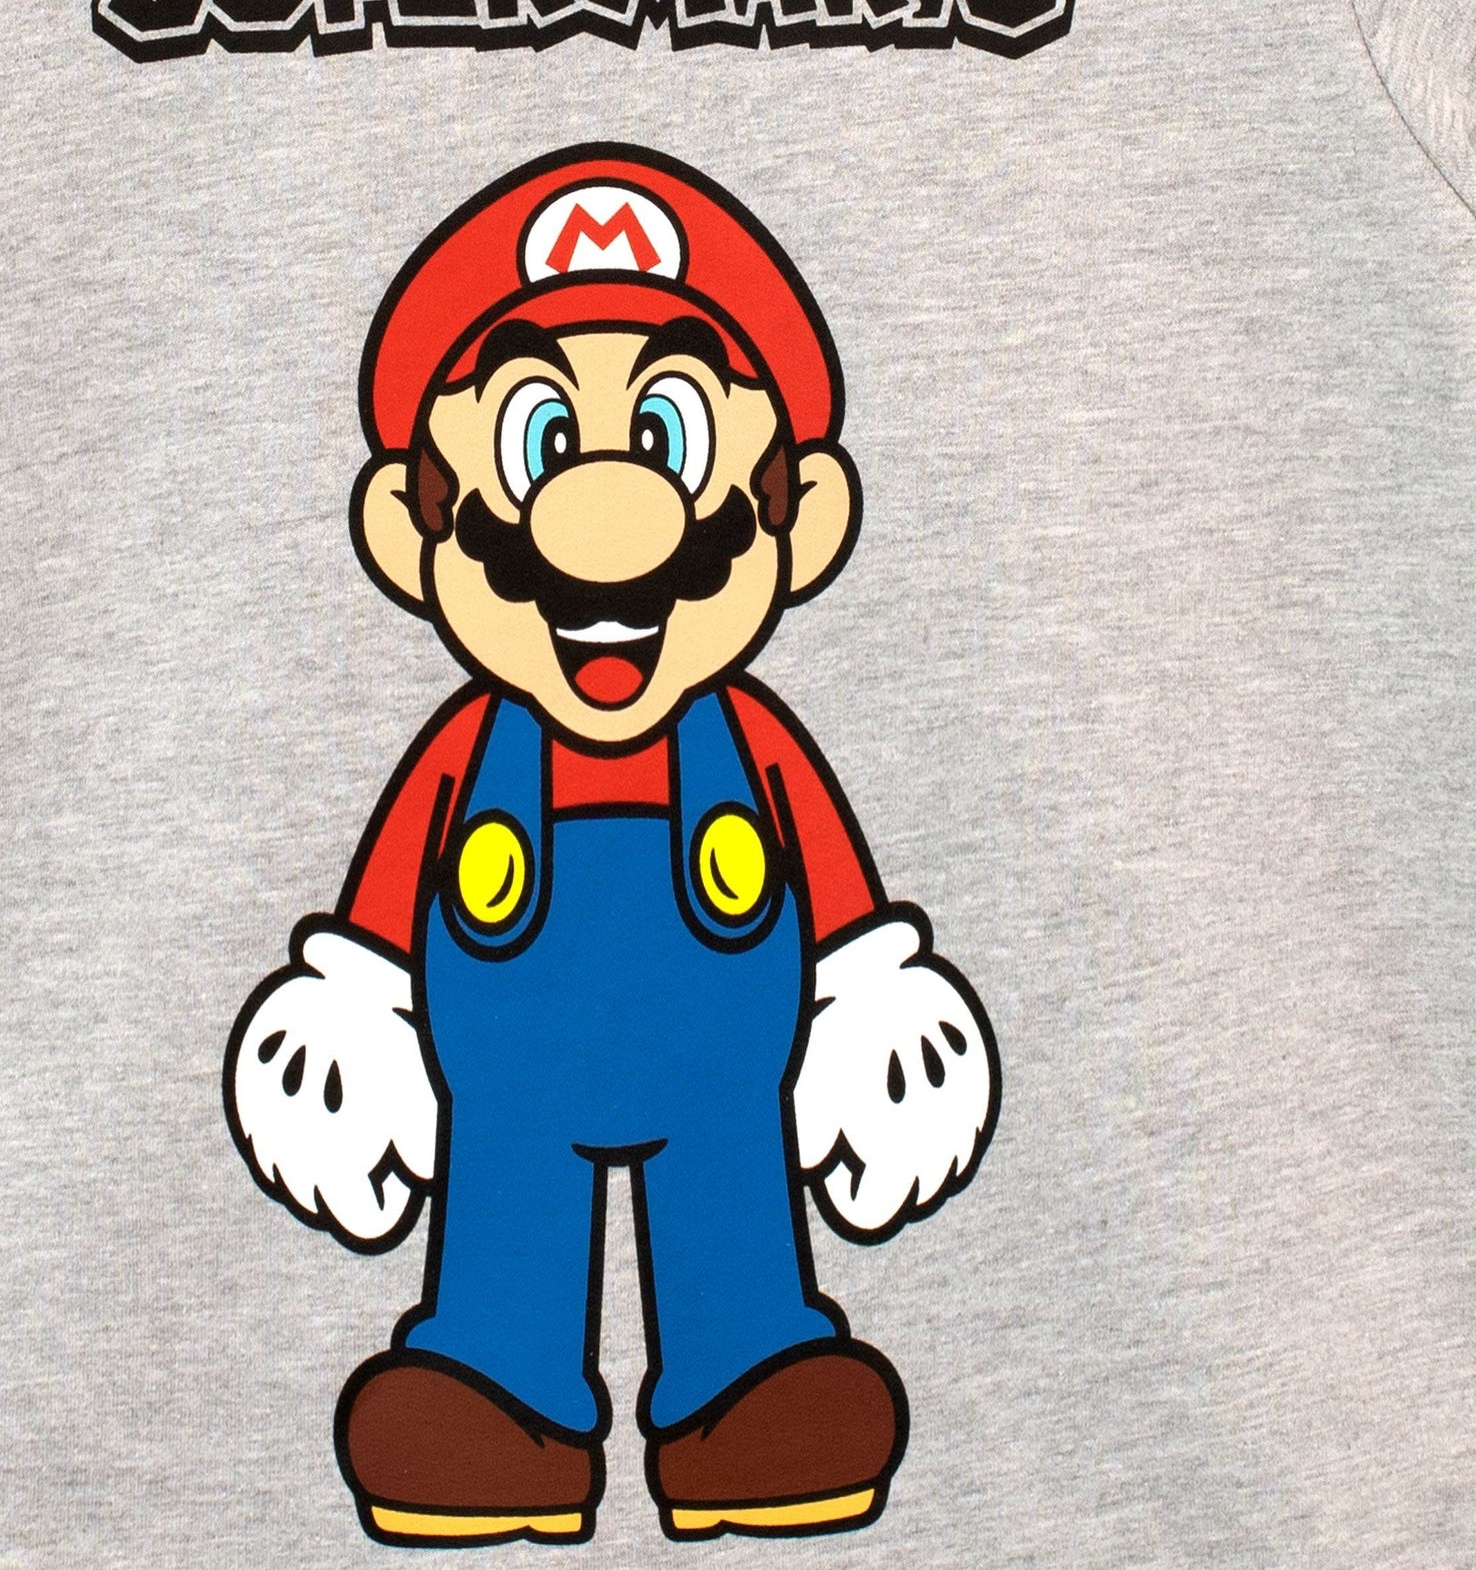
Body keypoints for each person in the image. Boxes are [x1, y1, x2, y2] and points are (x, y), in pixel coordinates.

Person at [223, 146, 1000, 1545]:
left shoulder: (750, 742)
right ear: (409, 526)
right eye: (536, 438)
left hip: (732, 1058)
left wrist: (872, 999)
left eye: (668, 433)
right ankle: (494, 1394)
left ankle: (749, 1391)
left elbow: (835, 888)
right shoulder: (469, 753)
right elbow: (389, 898)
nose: (600, 521)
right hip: (503, 1070)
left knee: (733, 1191)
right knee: (505, 1198)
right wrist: (353, 1011)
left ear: (801, 513)